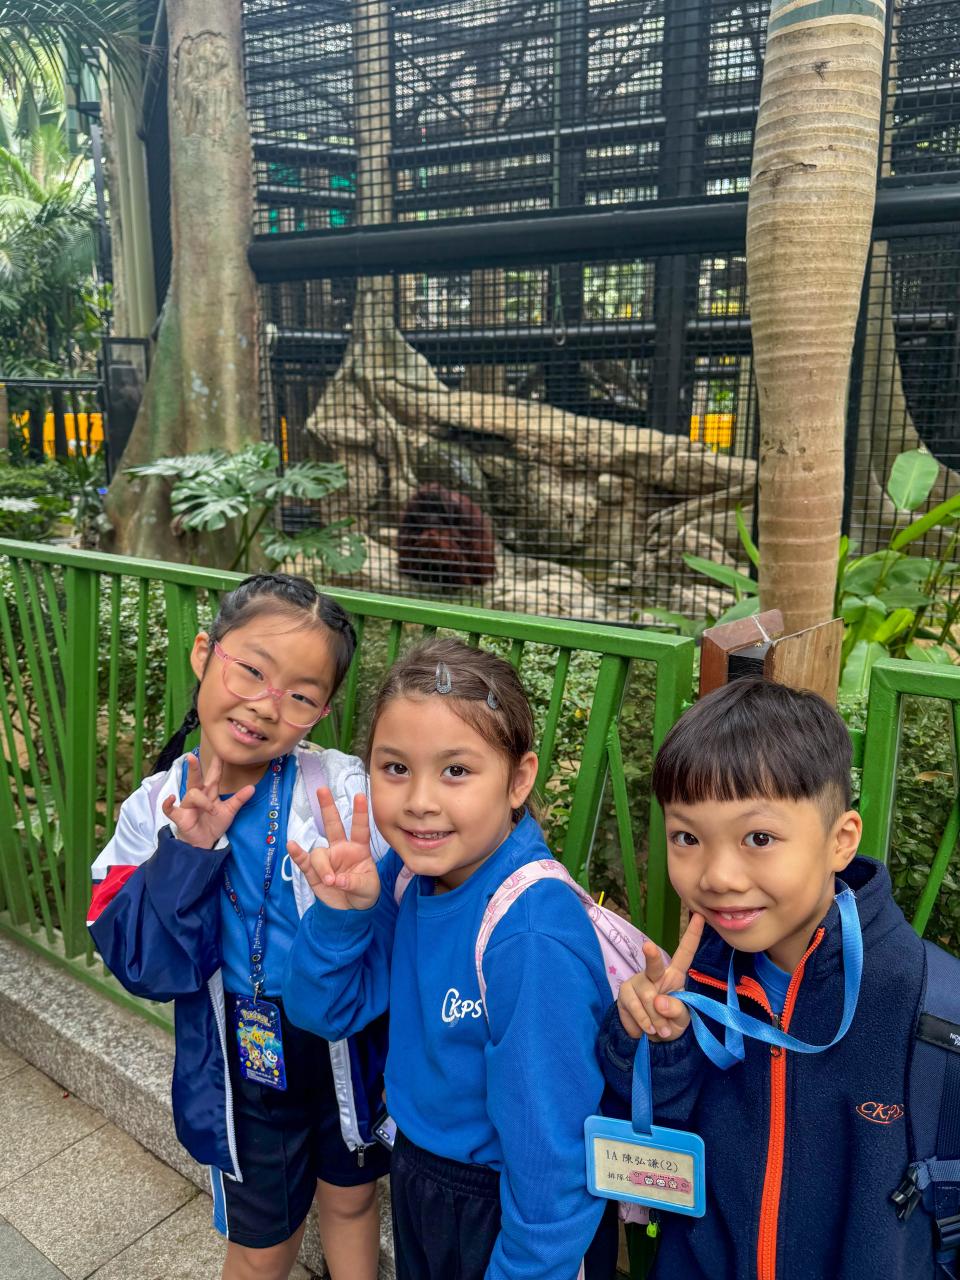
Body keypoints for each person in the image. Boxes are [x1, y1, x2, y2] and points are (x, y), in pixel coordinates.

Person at [282, 637, 620, 1280]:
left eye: (456, 771)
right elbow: (322, 1011)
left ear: (518, 779)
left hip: (507, 1209)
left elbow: (552, 1161)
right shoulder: (409, 876)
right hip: (422, 1173)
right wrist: (341, 917)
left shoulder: (529, 935)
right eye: (395, 767)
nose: (420, 800)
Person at [87, 573, 390, 1280]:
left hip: (346, 1042)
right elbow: (141, 964)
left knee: (353, 1200)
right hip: (241, 1061)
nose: (265, 705)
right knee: (260, 1245)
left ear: (321, 712)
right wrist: (186, 856)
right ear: (205, 653)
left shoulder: (340, 788)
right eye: (251, 669)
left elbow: (411, 887)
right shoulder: (155, 809)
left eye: (301, 695)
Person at [598, 676, 948, 1279]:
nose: (718, 876)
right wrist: (656, 1042)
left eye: (759, 838)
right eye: (687, 837)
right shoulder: (696, 984)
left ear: (841, 841)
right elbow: (650, 1146)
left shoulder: (927, 1009)